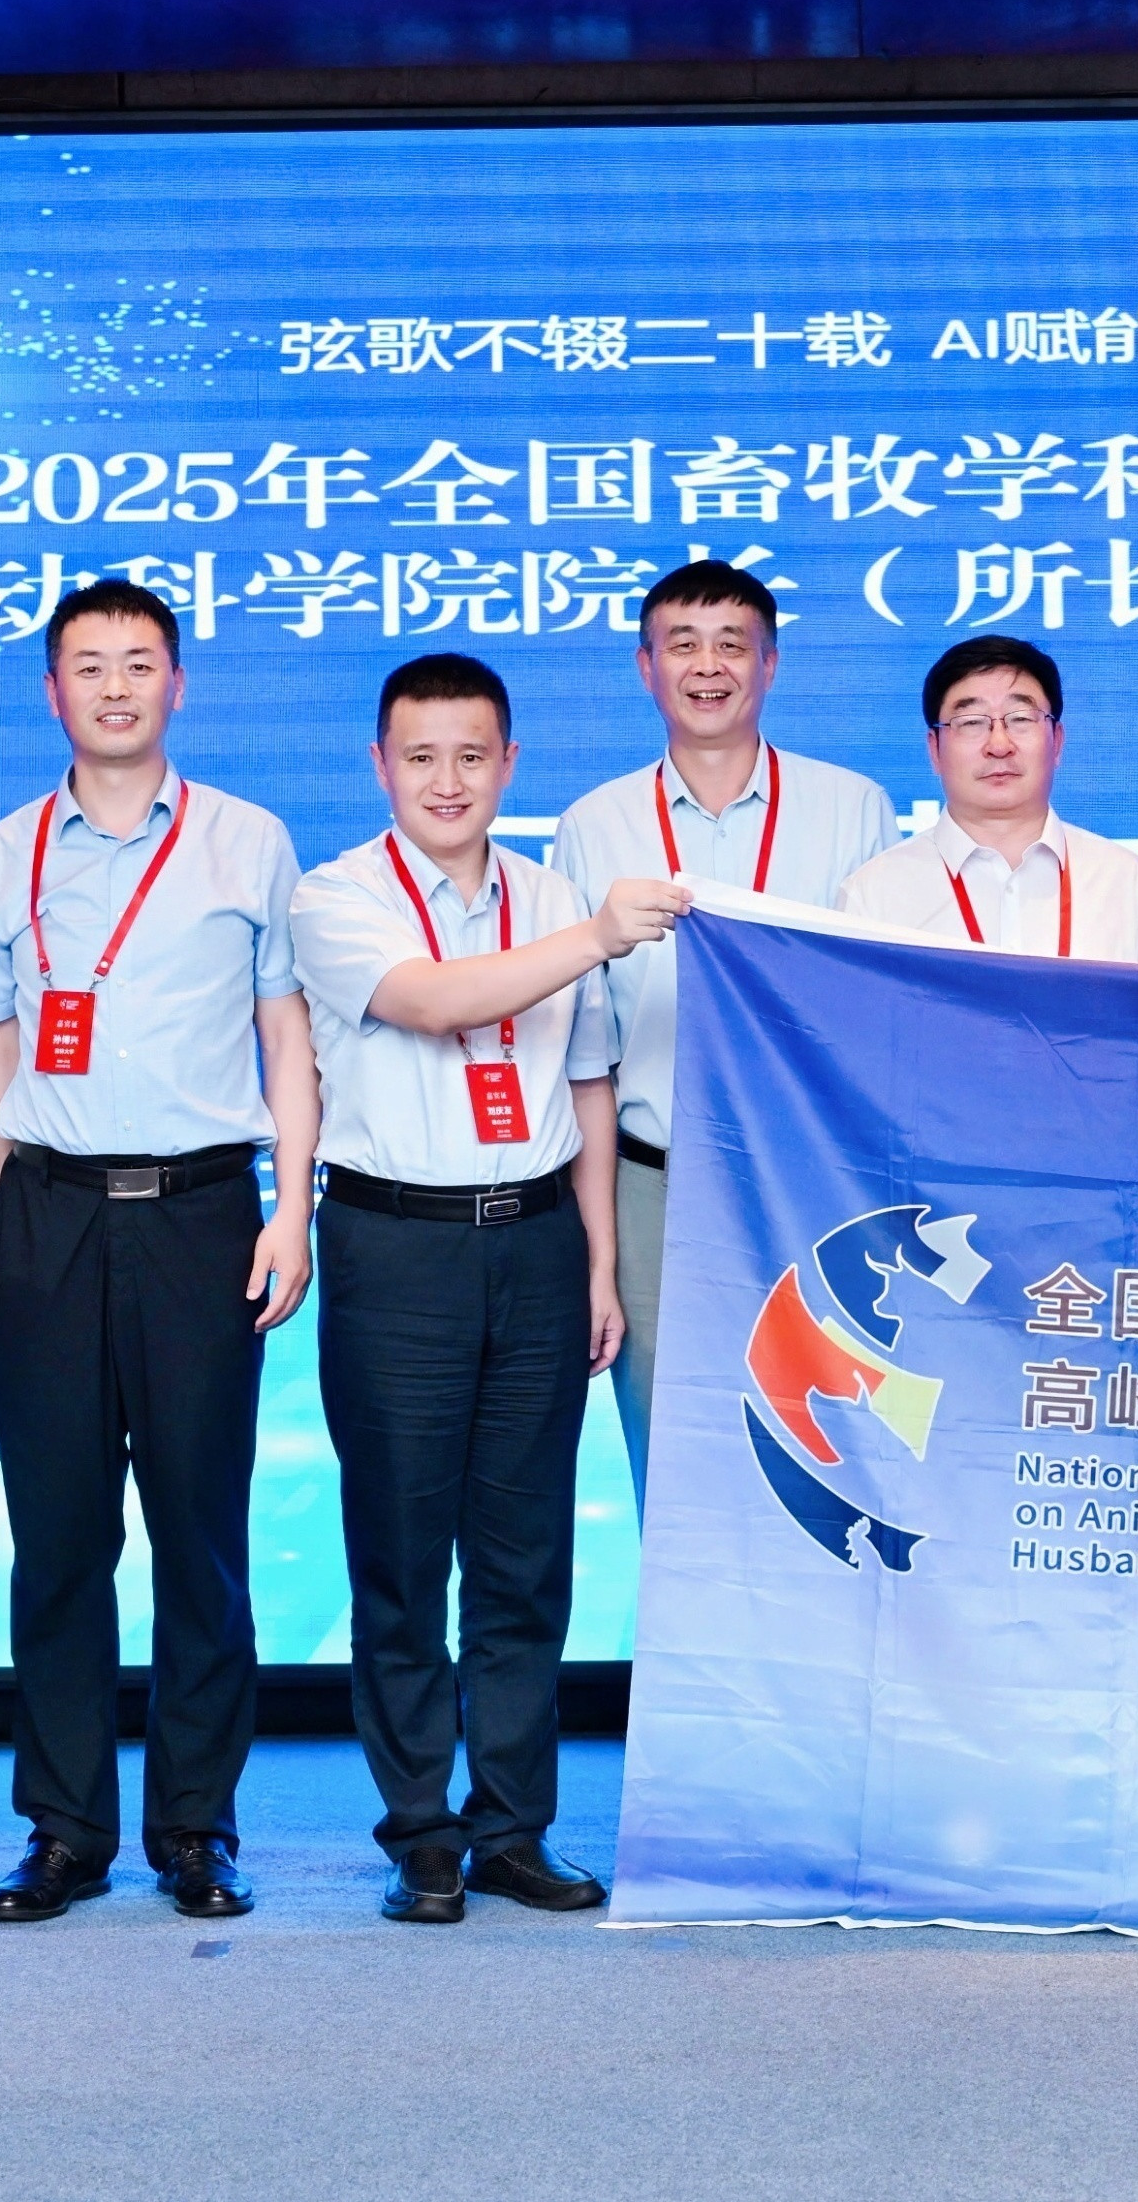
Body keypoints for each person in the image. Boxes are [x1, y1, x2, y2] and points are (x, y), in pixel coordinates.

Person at [291, 652, 684, 1923]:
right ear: (380, 765)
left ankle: (514, 1827)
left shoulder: (551, 893)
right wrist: (599, 935)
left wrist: (600, 1264)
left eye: (473, 755)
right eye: (422, 757)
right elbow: (432, 1003)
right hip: (395, 1247)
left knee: (524, 1558)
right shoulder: (337, 897)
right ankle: (421, 1834)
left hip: (536, 1247)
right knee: (403, 1558)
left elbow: (588, 1088)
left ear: (510, 763)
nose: (448, 780)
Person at [0, 578, 317, 1927]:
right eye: (88, 665)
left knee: (199, 1536)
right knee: (56, 1541)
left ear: (178, 684)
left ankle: (195, 1828)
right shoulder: (1, 852)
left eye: (138, 662)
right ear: (51, 691)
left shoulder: (248, 841)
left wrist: (291, 1207)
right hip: (44, 1215)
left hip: (200, 1213)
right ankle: (63, 1831)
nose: (114, 687)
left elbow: (286, 1034)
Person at [548, 560, 897, 1505]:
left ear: (769, 664)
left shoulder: (853, 808)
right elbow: (584, 1051)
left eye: (732, 645)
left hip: (810, 1179)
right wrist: (597, 1250)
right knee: (668, 1450)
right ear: (645, 666)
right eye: (683, 645)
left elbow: (878, 1011)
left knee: (828, 1446)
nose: (708, 667)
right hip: (651, 1182)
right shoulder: (592, 825)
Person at [834, 634, 1138, 960]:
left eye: (1020, 719)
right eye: (971, 722)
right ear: (934, 749)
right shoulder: (874, 895)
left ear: (1057, 741)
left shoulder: (1127, 883)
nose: (998, 745)